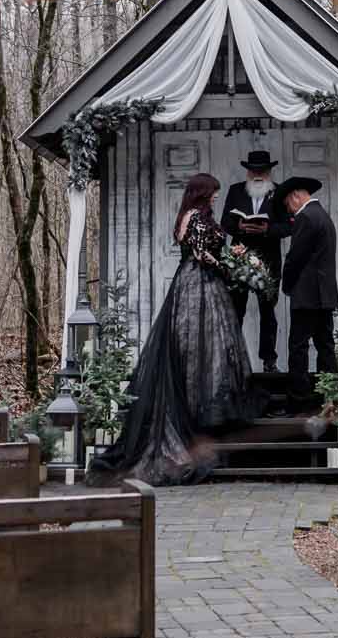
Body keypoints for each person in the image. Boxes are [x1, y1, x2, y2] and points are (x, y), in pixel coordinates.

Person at [91, 172, 264, 485]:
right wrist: (230, 268)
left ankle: (202, 409)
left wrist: (233, 258)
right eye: (213, 192)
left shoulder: (190, 215)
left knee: (202, 347)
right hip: (199, 285)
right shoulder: (197, 217)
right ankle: (200, 412)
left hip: (193, 282)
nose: (215, 197)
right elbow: (201, 255)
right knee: (202, 345)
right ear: (201, 193)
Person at [221, 147, 290, 372]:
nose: (258, 174)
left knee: (268, 314)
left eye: (262, 170)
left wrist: (266, 229)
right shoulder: (235, 191)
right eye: (253, 171)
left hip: (268, 262)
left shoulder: (279, 193)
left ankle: (269, 361)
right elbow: (225, 223)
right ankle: (233, 360)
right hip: (240, 260)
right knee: (236, 311)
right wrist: (240, 226)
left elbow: (287, 227)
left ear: (269, 171)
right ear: (248, 172)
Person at [279, 177, 338, 405]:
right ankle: (331, 397)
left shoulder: (305, 217)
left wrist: (286, 285)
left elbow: (296, 258)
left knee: (298, 346)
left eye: (287, 204)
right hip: (324, 294)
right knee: (325, 345)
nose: (288, 209)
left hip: (307, 294)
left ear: (296, 195)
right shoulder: (323, 215)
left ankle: (298, 399)